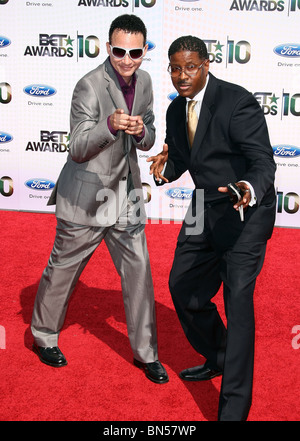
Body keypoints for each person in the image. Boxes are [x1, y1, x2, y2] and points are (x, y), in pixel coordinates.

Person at [31, 14, 168, 385]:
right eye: (119, 50)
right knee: (63, 272)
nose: (126, 58)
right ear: (109, 48)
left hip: (126, 195)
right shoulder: (89, 86)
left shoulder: (147, 82)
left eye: (135, 51)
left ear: (144, 51)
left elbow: (151, 134)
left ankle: (146, 353)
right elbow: (76, 147)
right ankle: (43, 336)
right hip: (86, 196)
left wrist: (142, 132)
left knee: (139, 274)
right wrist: (108, 126)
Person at [148, 36, 276, 419]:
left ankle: (233, 408)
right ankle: (219, 354)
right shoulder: (175, 111)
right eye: (175, 68)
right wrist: (164, 169)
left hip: (244, 211)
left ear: (206, 64)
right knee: (181, 285)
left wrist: (247, 188)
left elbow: (263, 162)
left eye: (189, 66)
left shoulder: (237, 102)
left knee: (238, 304)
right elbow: (183, 158)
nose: (181, 75)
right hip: (203, 205)